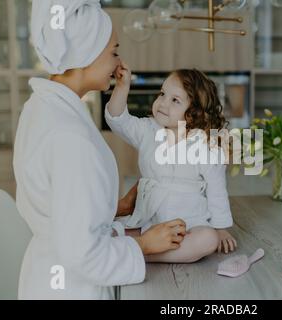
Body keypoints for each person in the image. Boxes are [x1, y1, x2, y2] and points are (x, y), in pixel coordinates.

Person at [13, 0, 185, 300]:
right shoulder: (71, 137)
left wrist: (113, 208)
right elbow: (83, 253)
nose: (119, 65)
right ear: (85, 54)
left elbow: (56, 202)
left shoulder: (41, 107)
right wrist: (143, 246)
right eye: (114, 52)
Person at [106, 66, 237, 263]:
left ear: (195, 112)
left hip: (190, 223)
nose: (162, 103)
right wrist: (122, 87)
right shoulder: (148, 129)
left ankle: (141, 253)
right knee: (107, 230)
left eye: (175, 100)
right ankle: (143, 245)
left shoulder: (207, 145)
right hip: (149, 219)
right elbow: (118, 120)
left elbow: (217, 190)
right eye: (162, 94)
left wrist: (221, 229)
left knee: (208, 239)